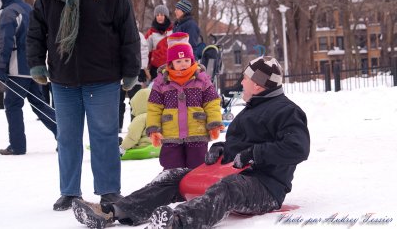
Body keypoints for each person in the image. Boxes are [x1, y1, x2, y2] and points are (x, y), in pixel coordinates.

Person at [71, 56, 310, 229]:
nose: (242, 82)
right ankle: (113, 211)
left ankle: (178, 222)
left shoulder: (287, 112)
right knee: (174, 177)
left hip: (265, 186)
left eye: (245, 78)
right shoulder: (252, 109)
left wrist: (253, 154)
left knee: (230, 188)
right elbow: (241, 145)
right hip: (233, 173)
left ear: (258, 85)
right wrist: (221, 150)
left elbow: (297, 148)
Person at [26, 0, 141, 211]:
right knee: (67, 137)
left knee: (104, 137)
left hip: (103, 78)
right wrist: (36, 63)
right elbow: (36, 30)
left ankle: (109, 190)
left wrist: (131, 70)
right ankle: (69, 191)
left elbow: (128, 33)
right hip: (63, 78)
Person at [0, 0, 57, 155]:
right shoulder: (28, 9)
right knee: (40, 104)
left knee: (13, 105)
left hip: (16, 68)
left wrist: (0, 66)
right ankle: (64, 135)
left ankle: (17, 145)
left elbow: (5, 42)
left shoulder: (8, 13)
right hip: (33, 67)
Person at [146, 32, 223, 170]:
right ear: (171, 63)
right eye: (179, 61)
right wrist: (153, 129)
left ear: (192, 60)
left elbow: (212, 103)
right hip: (171, 134)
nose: (183, 64)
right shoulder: (161, 82)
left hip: (197, 133)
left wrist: (214, 123)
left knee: (197, 165)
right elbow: (154, 107)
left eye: (187, 60)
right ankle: (172, 189)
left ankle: (196, 189)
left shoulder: (202, 79)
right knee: (171, 166)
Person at [119, 31, 149, 133]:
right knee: (118, 103)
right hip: (117, 75)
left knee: (135, 103)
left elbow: (144, 52)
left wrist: (142, 68)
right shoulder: (114, 32)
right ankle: (117, 126)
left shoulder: (138, 35)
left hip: (134, 73)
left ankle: (135, 126)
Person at [119, 88, 152, 155]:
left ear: (137, 104)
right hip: (156, 145)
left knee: (118, 140)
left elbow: (132, 137)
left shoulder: (140, 118)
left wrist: (123, 148)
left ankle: (106, 146)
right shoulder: (157, 116)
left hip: (141, 146)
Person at [145, 4, 173, 80]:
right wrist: (145, 67)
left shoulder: (172, 30)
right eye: (157, 15)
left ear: (166, 16)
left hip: (170, 67)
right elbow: (146, 50)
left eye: (162, 15)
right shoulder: (151, 32)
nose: (159, 17)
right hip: (155, 68)